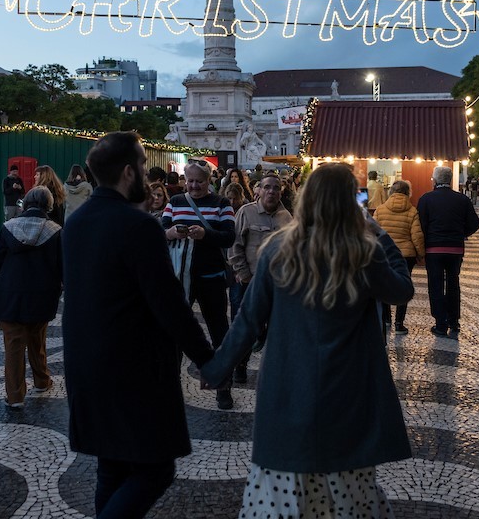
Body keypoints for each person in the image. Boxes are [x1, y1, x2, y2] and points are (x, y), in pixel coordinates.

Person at [201, 164, 413, 518]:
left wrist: (218, 367)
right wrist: (380, 235)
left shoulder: (277, 250)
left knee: (284, 491)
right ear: (350, 204)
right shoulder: (363, 252)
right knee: (349, 491)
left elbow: (249, 320)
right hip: (348, 389)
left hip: (288, 387)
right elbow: (401, 290)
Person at [61, 132, 214, 519]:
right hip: (132, 370)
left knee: (111, 466)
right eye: (144, 167)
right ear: (130, 172)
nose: (147, 176)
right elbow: (169, 304)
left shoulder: (76, 223)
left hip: (85, 363)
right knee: (155, 468)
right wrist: (207, 359)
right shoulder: (139, 226)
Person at [162, 159, 236, 410]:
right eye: (190, 181)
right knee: (176, 333)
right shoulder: (175, 203)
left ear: (209, 181)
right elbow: (161, 231)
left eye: (199, 181)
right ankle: (170, 388)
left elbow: (229, 237)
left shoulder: (222, 204)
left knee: (219, 333)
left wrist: (206, 235)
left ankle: (222, 388)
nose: (194, 186)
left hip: (211, 278)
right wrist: (171, 233)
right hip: (181, 278)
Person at [0, 186, 62, 409]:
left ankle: (15, 396)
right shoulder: (55, 230)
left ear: (25, 203)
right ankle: (41, 381)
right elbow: (63, 265)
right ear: (49, 205)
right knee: (38, 339)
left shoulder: (8, 227)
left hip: (10, 293)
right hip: (42, 294)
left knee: (13, 346)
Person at [226, 172, 292, 382]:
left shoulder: (287, 218)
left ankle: (275, 372)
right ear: (258, 190)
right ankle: (240, 366)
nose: (271, 191)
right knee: (245, 328)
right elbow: (235, 246)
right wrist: (243, 274)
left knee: (276, 330)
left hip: (276, 285)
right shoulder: (246, 212)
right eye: (267, 187)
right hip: (249, 282)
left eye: (276, 187)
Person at [417, 166, 479, 337]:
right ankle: (454, 321)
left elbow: (421, 225)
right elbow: (475, 224)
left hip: (434, 249)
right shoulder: (462, 200)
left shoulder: (426, 199)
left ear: (435, 181)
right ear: (450, 180)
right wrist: (461, 234)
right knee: (453, 284)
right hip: (455, 249)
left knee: (435, 285)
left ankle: (440, 324)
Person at [373, 180, 425, 334]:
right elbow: (417, 235)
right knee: (404, 283)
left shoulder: (380, 210)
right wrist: (421, 254)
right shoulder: (412, 211)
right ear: (407, 193)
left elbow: (374, 233)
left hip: (384, 252)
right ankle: (399, 323)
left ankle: (386, 319)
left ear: (391, 192)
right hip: (406, 255)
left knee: (383, 283)